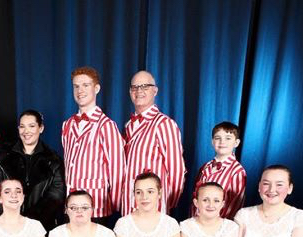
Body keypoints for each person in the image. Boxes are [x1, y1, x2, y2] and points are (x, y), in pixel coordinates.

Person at [61, 66, 125, 223]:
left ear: (96, 88)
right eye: (76, 86)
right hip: (71, 205)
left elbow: (117, 170)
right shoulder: (67, 125)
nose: (80, 90)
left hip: (97, 206)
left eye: (85, 85)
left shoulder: (106, 125)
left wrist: (115, 203)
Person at [0, 109, 66, 231]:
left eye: (31, 126)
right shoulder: (3, 154)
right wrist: (10, 218)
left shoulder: (53, 160)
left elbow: (56, 195)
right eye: (22, 126)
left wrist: (31, 223)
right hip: (6, 224)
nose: (26, 131)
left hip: (40, 227)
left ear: (41, 128)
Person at [121, 71, 185, 215]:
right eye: (135, 87)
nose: (139, 91)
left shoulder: (164, 123)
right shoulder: (128, 125)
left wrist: (168, 202)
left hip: (154, 207)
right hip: (129, 202)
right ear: (130, 92)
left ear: (155, 91)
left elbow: (176, 170)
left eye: (145, 86)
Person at [191, 122, 247, 220]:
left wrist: (221, 224)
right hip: (197, 219)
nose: (222, 142)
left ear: (236, 143)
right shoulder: (205, 167)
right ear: (212, 142)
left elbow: (235, 204)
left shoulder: (237, 171)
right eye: (217, 138)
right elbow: (196, 196)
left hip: (218, 223)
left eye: (228, 138)